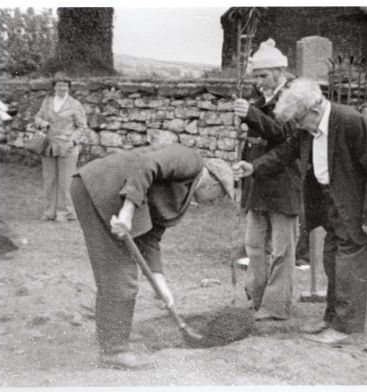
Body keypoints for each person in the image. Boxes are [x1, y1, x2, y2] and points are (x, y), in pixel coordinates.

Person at [233, 79, 367, 343]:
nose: (296, 127)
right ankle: (331, 319)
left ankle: (344, 329)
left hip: (359, 208)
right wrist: (254, 168)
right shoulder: (308, 128)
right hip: (333, 206)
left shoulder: (349, 121)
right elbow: (284, 153)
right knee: (333, 263)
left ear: (314, 110)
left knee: (348, 268)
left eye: (298, 121)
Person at [70, 143, 232, 369]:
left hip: (104, 194)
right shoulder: (191, 160)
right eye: (219, 196)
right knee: (121, 276)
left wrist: (160, 282)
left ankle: (112, 338)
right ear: (214, 183)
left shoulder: (183, 194)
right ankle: (113, 351)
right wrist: (127, 212)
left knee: (116, 275)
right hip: (99, 189)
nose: (214, 203)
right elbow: (146, 165)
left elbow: (150, 236)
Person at [233, 38, 303, 321]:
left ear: (278, 71)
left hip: (283, 183)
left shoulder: (294, 98)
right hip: (257, 183)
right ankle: (256, 297)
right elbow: (256, 141)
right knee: (254, 245)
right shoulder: (262, 101)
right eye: (256, 76)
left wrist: (250, 115)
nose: (259, 82)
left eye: (263, 75)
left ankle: (276, 306)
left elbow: (282, 133)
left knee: (282, 249)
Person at [34, 72, 87, 221]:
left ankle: (65, 213)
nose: (61, 88)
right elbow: (37, 117)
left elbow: (82, 127)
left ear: (69, 87)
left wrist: (72, 142)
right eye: (58, 85)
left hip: (67, 146)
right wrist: (42, 123)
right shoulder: (47, 101)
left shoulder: (75, 104)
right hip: (48, 145)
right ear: (54, 87)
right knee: (49, 179)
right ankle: (49, 212)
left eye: (64, 85)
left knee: (66, 181)